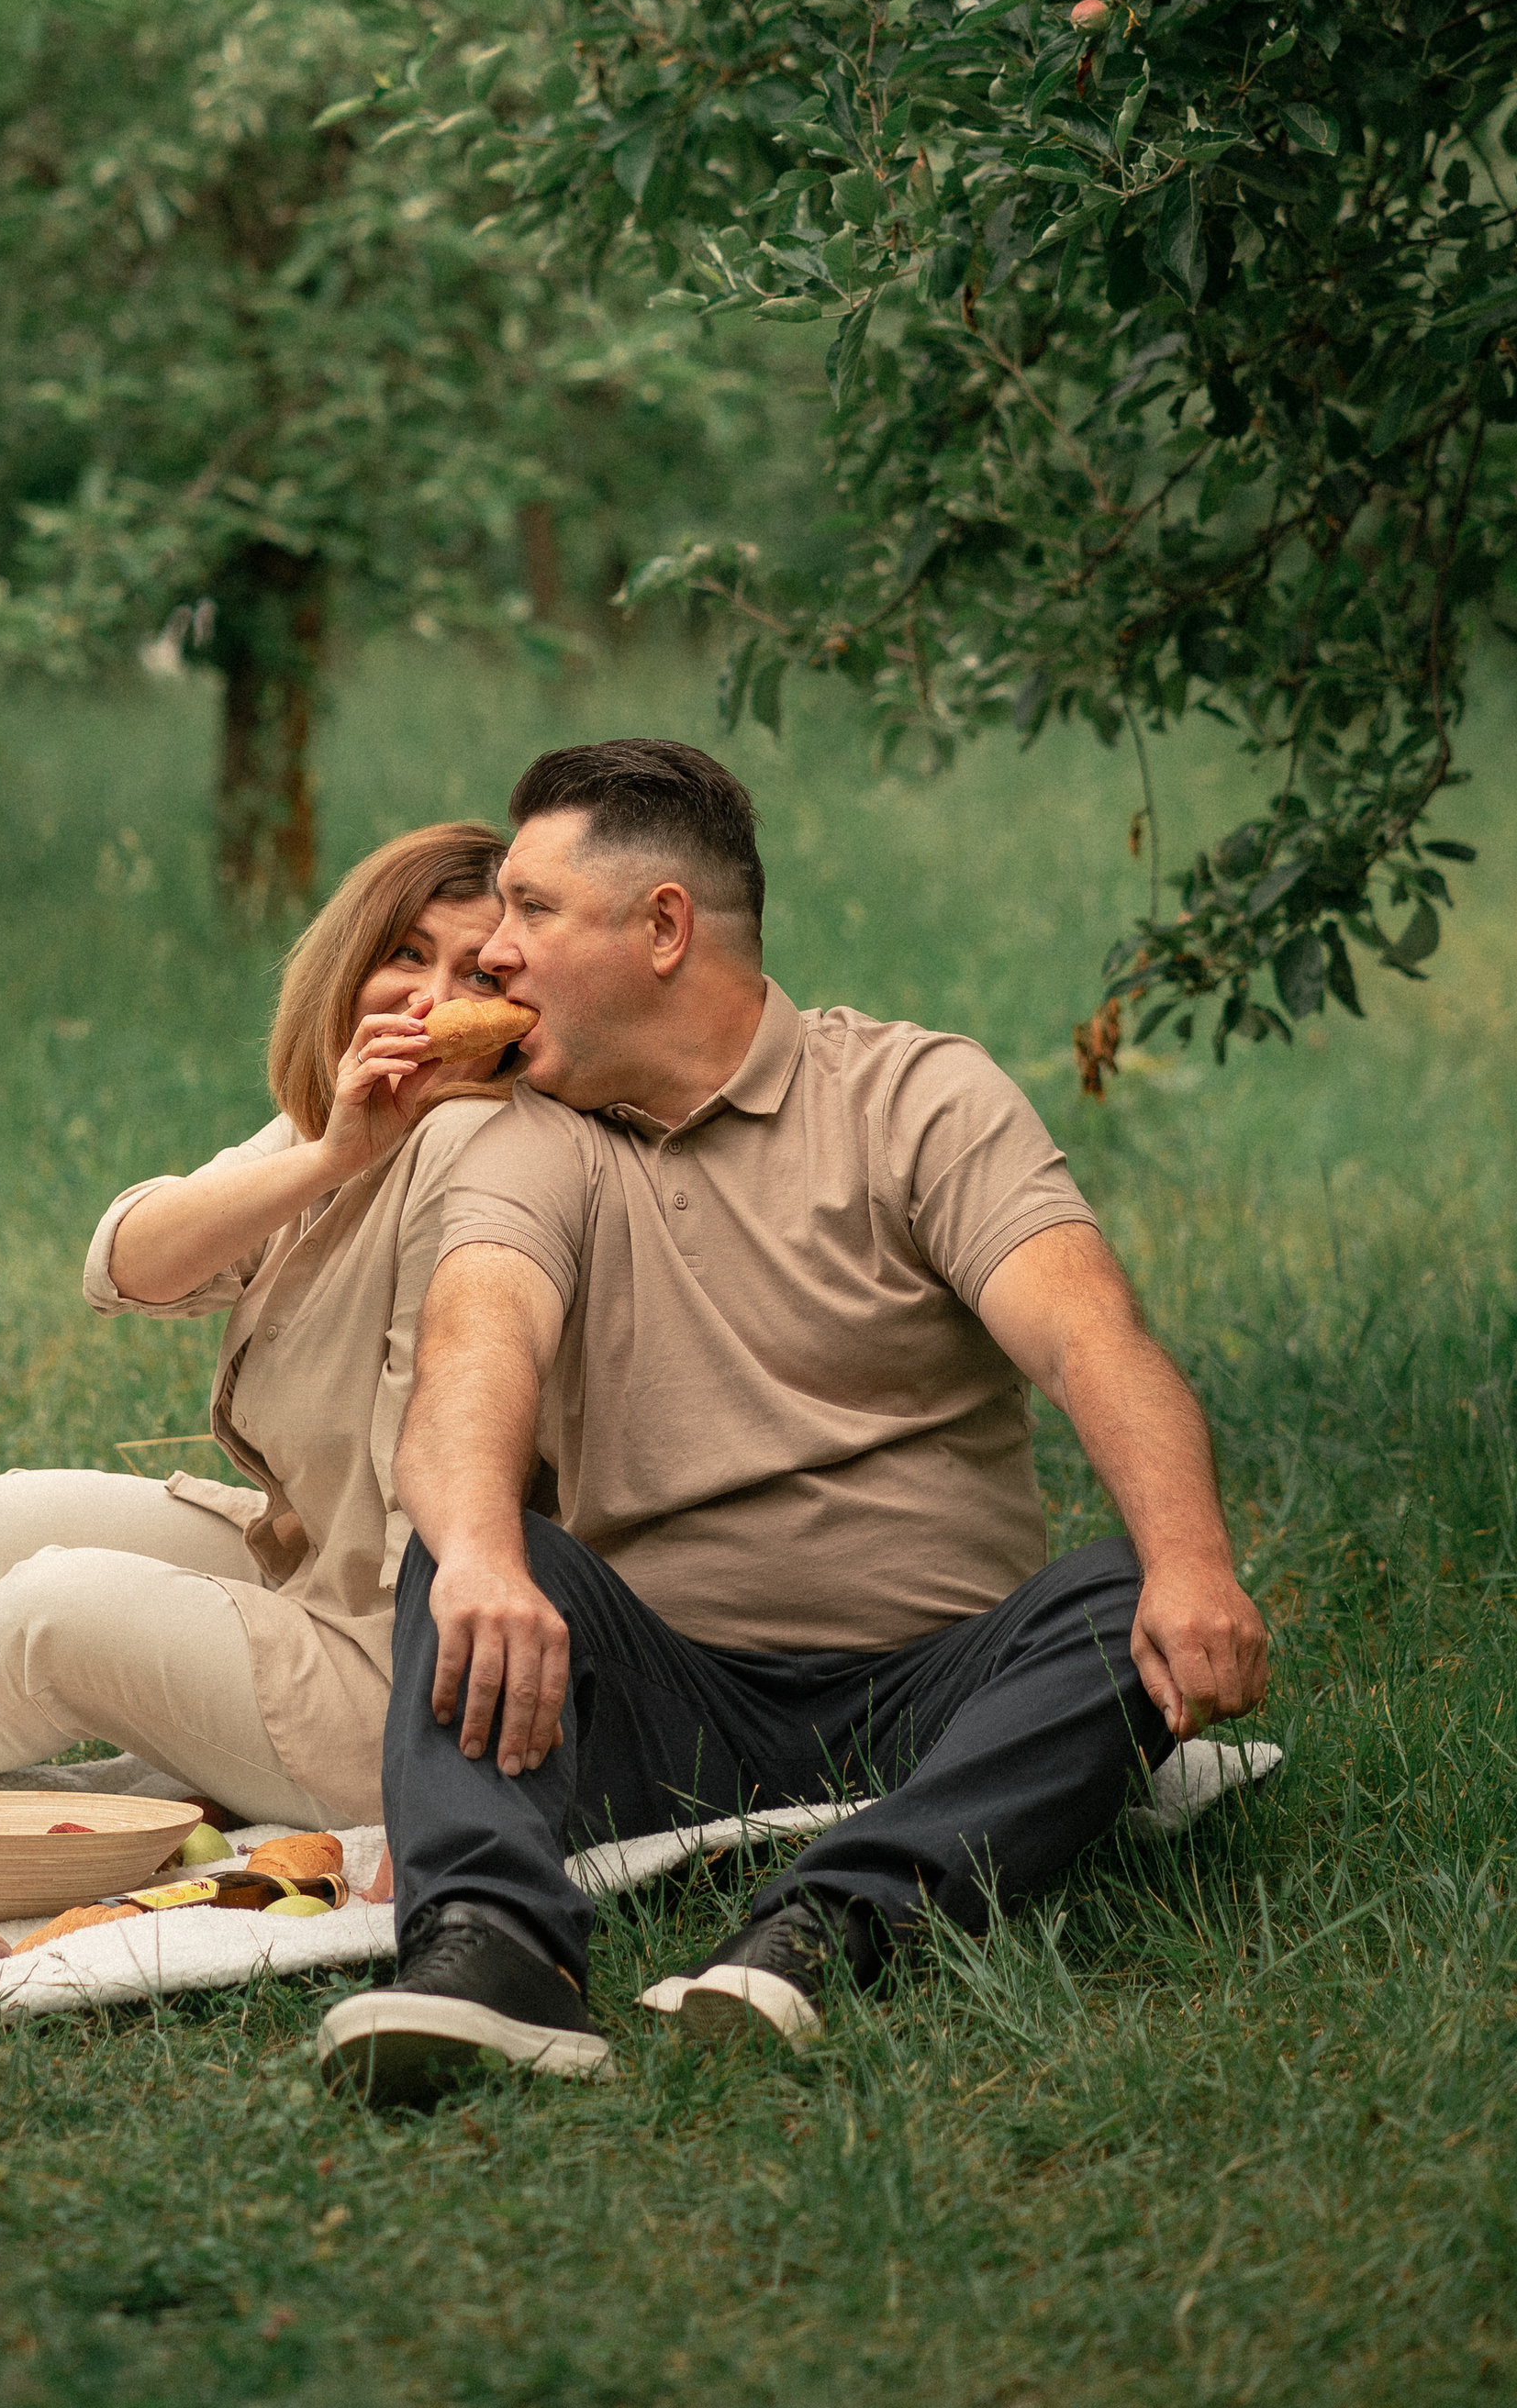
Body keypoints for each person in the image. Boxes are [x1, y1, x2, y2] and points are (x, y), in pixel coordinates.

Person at [315, 739, 1269, 2107]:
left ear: (663, 928)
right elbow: (480, 1348)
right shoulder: (533, 1135)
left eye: (530, 909)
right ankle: (491, 1951)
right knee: (469, 1551)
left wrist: (1193, 1563)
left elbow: (1087, 1335)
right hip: (665, 1704)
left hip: (936, 1692)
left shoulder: (914, 1097)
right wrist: (475, 1550)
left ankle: (826, 1926)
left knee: (1125, 1592)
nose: (493, 954)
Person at [0, 822, 521, 1826]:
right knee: (3, 1518)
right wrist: (327, 1157)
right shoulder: (365, 1115)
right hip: (310, 1572)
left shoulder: (483, 1147)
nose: (430, 1000)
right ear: (350, 966)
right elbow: (127, 1263)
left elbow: (426, 1502)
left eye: (477, 974)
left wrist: (439, 1792)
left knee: (50, 1615)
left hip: (400, 1685)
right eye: (406, 955)